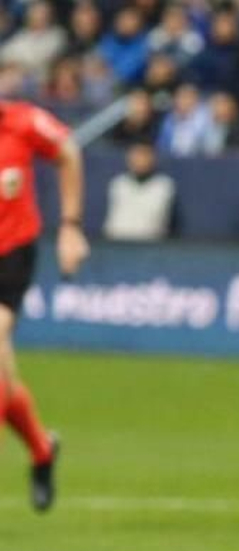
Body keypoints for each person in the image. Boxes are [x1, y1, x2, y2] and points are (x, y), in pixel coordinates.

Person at [0, 96, 86, 511]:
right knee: (5, 378)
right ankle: (41, 449)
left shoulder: (23, 121)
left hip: (12, 253)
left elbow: (68, 151)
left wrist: (70, 226)